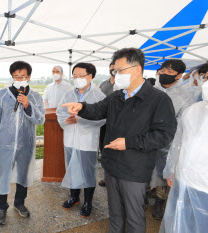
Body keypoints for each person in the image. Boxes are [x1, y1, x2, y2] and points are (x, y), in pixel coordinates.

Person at [61, 48, 177, 233]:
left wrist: (129, 142)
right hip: (112, 166)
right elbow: (97, 110)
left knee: (133, 217)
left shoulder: (158, 99)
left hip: (134, 169)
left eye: (121, 70)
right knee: (115, 214)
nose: (117, 75)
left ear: (137, 69)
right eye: (115, 71)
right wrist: (81, 107)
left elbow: (164, 135)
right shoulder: (117, 96)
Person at [0, 61, 45, 225]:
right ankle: (1, 207)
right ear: (12, 77)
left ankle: (19, 203)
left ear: (29, 77)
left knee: (23, 175)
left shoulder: (35, 97)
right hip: (5, 144)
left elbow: (40, 119)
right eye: (16, 76)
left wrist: (27, 105)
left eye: (23, 76)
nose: (19, 79)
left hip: (26, 144)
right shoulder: (3, 94)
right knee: (2, 176)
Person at [56, 63, 106, 217]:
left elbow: (103, 118)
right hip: (70, 138)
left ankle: (88, 202)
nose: (77, 79)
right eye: (74, 76)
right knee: (71, 166)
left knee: (87, 171)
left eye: (81, 76)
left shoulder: (99, 96)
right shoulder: (68, 94)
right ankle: (74, 197)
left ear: (90, 76)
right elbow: (60, 112)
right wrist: (66, 120)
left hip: (87, 140)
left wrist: (80, 120)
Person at [160, 80, 208, 233]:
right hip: (183, 179)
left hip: (204, 186)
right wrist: (171, 169)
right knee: (178, 222)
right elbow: (178, 143)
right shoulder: (193, 111)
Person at [150, 59, 196, 220]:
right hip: (146, 141)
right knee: (144, 171)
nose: (164, 74)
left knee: (163, 173)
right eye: (163, 70)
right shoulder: (150, 90)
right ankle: (141, 197)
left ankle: (159, 203)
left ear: (179, 75)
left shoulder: (185, 97)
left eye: (170, 72)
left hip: (167, 144)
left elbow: (184, 124)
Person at [98, 61, 116, 187]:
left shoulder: (125, 85)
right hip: (104, 122)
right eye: (111, 67)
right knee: (104, 149)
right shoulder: (104, 84)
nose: (113, 69)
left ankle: (115, 178)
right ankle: (106, 176)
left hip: (118, 122)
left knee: (117, 150)